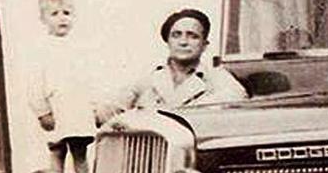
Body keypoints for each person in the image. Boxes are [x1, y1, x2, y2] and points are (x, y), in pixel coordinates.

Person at [100, 8, 247, 118]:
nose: (183, 42)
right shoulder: (148, 78)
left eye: (193, 36)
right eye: (176, 35)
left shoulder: (216, 77)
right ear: (168, 41)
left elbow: (237, 98)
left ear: (204, 45)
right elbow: (109, 109)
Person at [27, 0, 96, 173]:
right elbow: (35, 84)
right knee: (57, 152)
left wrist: (92, 107)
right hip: (56, 109)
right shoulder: (41, 49)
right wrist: (42, 112)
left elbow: (86, 79)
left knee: (80, 153)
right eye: (54, 14)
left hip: (76, 108)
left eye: (66, 13)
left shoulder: (79, 47)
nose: (62, 18)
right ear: (43, 19)